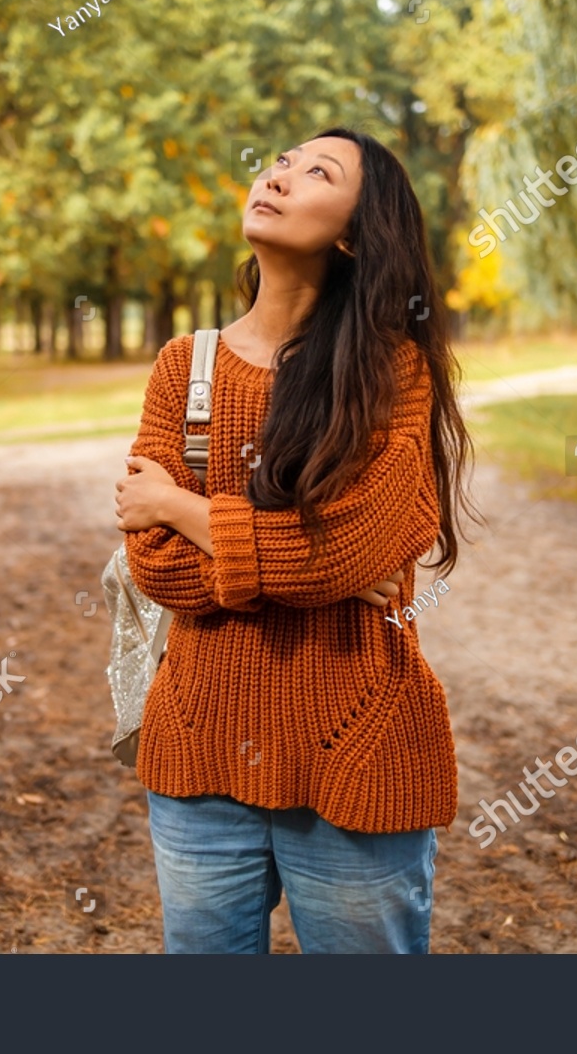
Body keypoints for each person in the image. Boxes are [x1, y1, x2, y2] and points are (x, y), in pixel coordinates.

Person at [113, 127, 480, 954]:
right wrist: (323, 570)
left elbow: (349, 550)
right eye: (280, 161)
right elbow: (156, 566)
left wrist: (181, 505)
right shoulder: (186, 366)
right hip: (199, 751)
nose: (279, 176)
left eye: (318, 172)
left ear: (354, 232)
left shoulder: (394, 372)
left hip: (356, 748)